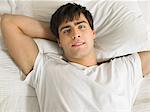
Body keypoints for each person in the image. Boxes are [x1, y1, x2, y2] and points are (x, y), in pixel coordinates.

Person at [1, 3, 150, 112]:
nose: (75, 33)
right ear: (58, 40)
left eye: (81, 26)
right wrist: (62, 35)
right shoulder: (46, 69)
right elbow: (8, 23)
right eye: (67, 30)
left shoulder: (124, 68)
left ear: (93, 33)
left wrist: (67, 35)